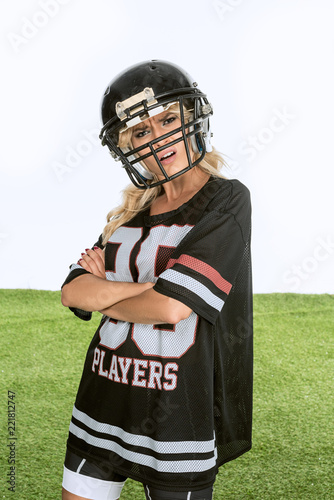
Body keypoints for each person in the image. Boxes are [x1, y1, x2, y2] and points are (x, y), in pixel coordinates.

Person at [61, 60, 253, 500]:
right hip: (103, 394)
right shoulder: (129, 213)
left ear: (191, 120)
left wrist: (106, 291)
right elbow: (72, 291)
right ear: (127, 145)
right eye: (142, 132)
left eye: (167, 120)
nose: (159, 138)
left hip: (176, 415)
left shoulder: (226, 200)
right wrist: (151, 290)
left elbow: (170, 307)